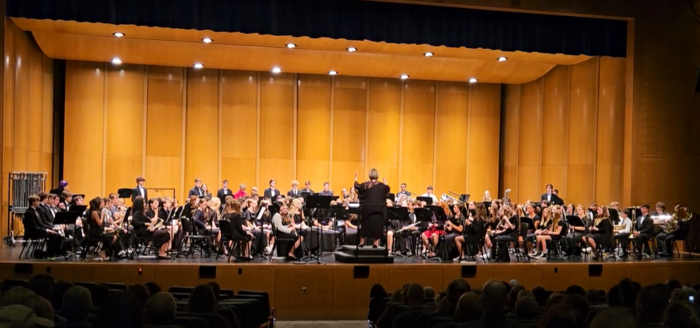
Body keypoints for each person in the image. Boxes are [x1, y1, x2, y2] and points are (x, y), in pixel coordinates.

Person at [354, 169, 390, 248]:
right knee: (377, 226)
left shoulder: (365, 184)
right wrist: (385, 183)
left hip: (367, 209)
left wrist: (356, 178)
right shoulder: (382, 186)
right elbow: (387, 190)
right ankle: (375, 243)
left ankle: (362, 241)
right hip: (378, 209)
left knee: (365, 225)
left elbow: (357, 187)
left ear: (369, 175)